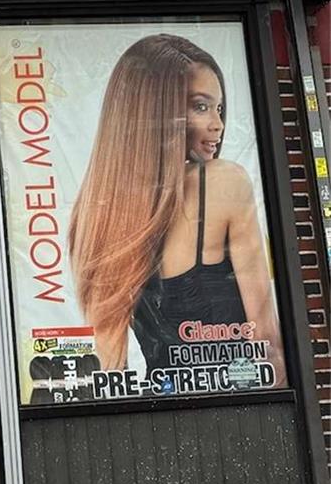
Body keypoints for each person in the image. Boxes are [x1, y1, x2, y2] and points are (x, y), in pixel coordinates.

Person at [67, 33, 285, 388]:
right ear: (156, 111)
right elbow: (268, 343)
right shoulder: (224, 182)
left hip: (162, 407)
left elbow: (111, 371)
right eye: (200, 106)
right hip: (239, 399)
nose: (218, 124)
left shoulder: (97, 213)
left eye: (219, 108)